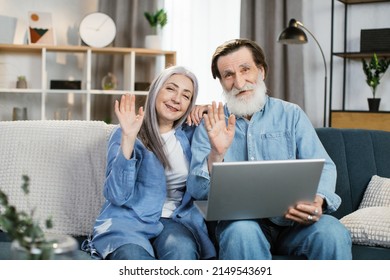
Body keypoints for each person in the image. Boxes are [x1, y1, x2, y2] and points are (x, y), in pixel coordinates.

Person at [187, 39, 352, 260]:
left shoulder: (291, 114)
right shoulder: (209, 124)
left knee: (332, 231)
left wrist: (318, 199)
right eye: (228, 75)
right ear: (221, 82)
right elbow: (197, 190)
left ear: (261, 71)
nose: (239, 82)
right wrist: (216, 153)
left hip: (294, 223)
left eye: (245, 70)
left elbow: (324, 166)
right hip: (241, 224)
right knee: (242, 231)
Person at [82, 65, 216, 260]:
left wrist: (210, 109)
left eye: (186, 96)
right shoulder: (125, 132)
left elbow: (233, 121)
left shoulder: (191, 133)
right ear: (156, 90)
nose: (177, 99)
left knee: (182, 251)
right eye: (170, 89)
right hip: (128, 220)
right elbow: (117, 196)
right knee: (133, 258)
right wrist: (128, 138)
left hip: (175, 221)